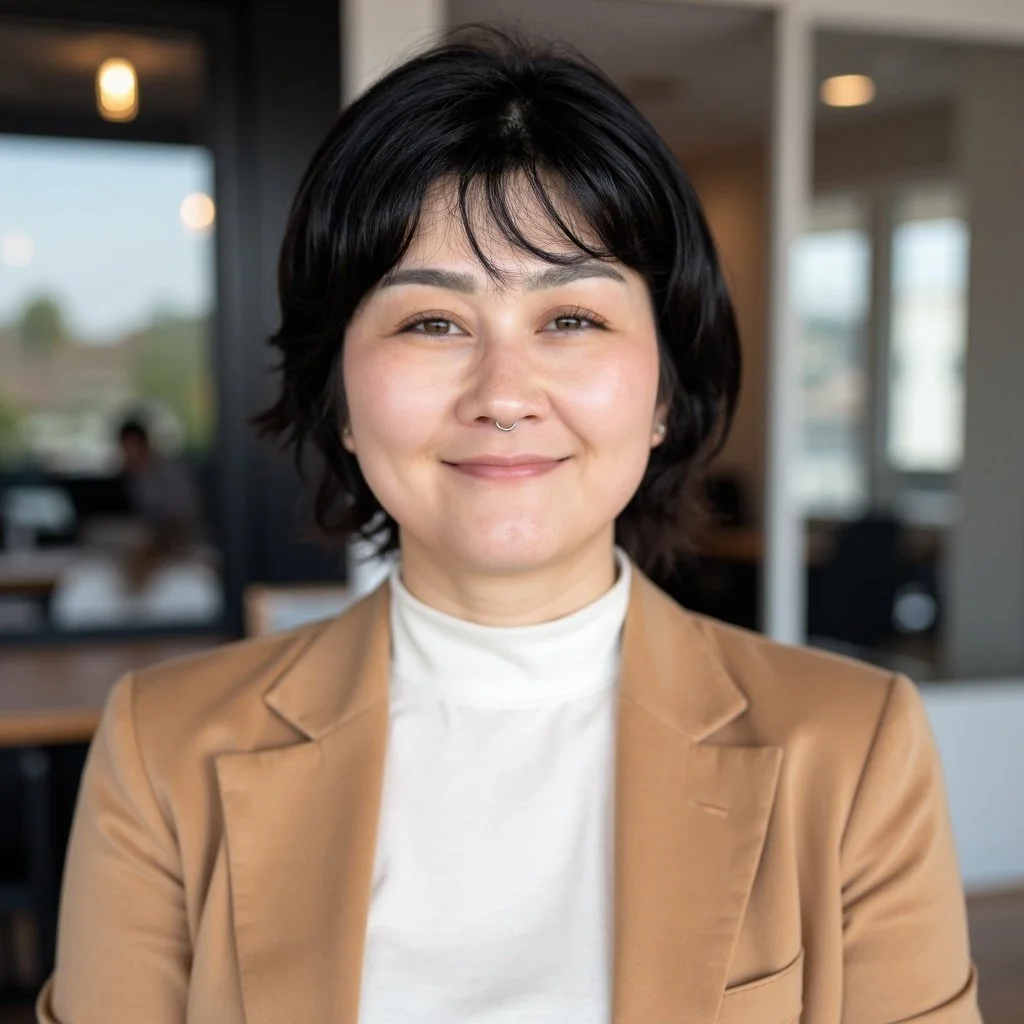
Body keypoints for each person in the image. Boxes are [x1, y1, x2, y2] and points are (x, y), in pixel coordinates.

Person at [38, 32, 979, 1024]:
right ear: (341, 398)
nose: (503, 394)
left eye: (570, 318)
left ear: (662, 387)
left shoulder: (852, 748)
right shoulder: (163, 750)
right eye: (431, 323)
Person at [116, 416, 203, 590]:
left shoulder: (171, 474)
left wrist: (155, 535)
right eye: (125, 448)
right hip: (145, 538)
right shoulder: (127, 477)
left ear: (145, 444)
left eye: (132, 447)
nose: (129, 453)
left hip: (174, 538)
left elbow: (184, 516)